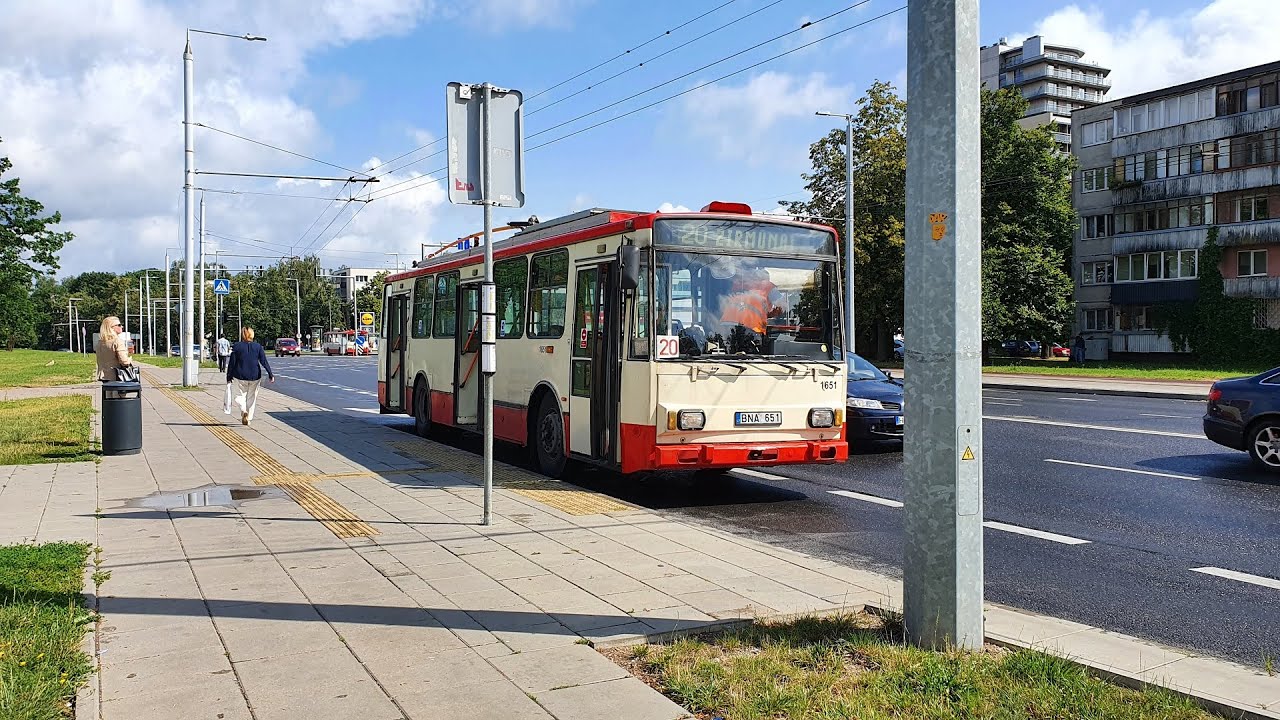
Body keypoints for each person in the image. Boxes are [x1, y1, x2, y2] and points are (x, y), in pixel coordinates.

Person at [226, 327, 274, 427]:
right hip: (255, 375)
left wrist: (229, 376)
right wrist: (270, 374)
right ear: (252, 335)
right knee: (252, 397)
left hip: (239, 375)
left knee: (239, 396)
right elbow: (264, 361)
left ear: (242, 335)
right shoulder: (258, 346)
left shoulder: (237, 346)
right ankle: (249, 417)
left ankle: (243, 411)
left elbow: (232, 363)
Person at [95, 316, 134, 381]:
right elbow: (124, 361)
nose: (122, 327)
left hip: (103, 374)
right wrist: (129, 360)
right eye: (119, 325)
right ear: (111, 328)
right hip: (116, 375)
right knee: (115, 391)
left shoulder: (100, 342)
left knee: (107, 390)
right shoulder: (117, 341)